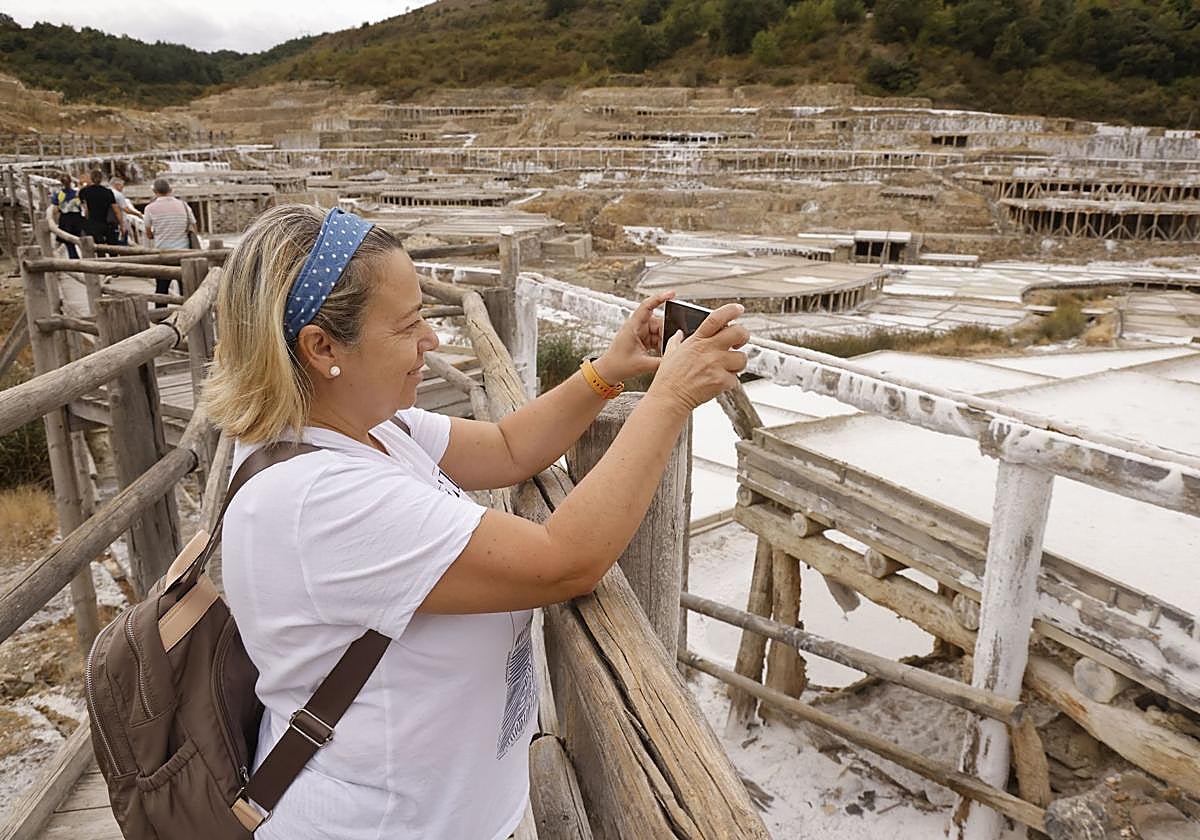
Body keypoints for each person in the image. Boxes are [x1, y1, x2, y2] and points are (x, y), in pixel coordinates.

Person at [202, 204, 748, 840]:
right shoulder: (320, 497)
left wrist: (610, 370)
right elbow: (566, 558)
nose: (430, 342)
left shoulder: (362, 427)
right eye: (409, 326)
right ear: (323, 348)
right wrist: (671, 399)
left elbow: (510, 447)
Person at [142, 178, 198, 303]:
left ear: (154, 191)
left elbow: (148, 234)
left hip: (163, 254)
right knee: (186, 288)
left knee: (162, 288)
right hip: (184, 253)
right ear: (170, 190)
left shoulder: (149, 208)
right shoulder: (184, 205)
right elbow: (194, 228)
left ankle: (160, 316)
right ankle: (189, 314)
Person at [78, 169, 123, 246]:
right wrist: (122, 224)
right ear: (101, 179)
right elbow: (116, 210)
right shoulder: (108, 192)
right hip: (108, 223)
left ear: (91, 178)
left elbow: (85, 210)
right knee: (113, 247)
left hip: (93, 223)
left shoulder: (84, 191)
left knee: (98, 247)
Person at [48, 173, 83, 259]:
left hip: (65, 219)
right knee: (79, 238)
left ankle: (73, 257)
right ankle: (83, 256)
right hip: (77, 218)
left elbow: (55, 210)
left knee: (67, 240)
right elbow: (81, 205)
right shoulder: (77, 193)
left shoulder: (58, 195)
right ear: (70, 182)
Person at [109, 177, 143, 245]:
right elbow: (126, 209)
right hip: (121, 220)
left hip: (110, 220)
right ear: (117, 185)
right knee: (127, 238)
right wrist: (138, 214)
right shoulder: (118, 195)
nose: (122, 188)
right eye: (122, 186)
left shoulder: (108, 192)